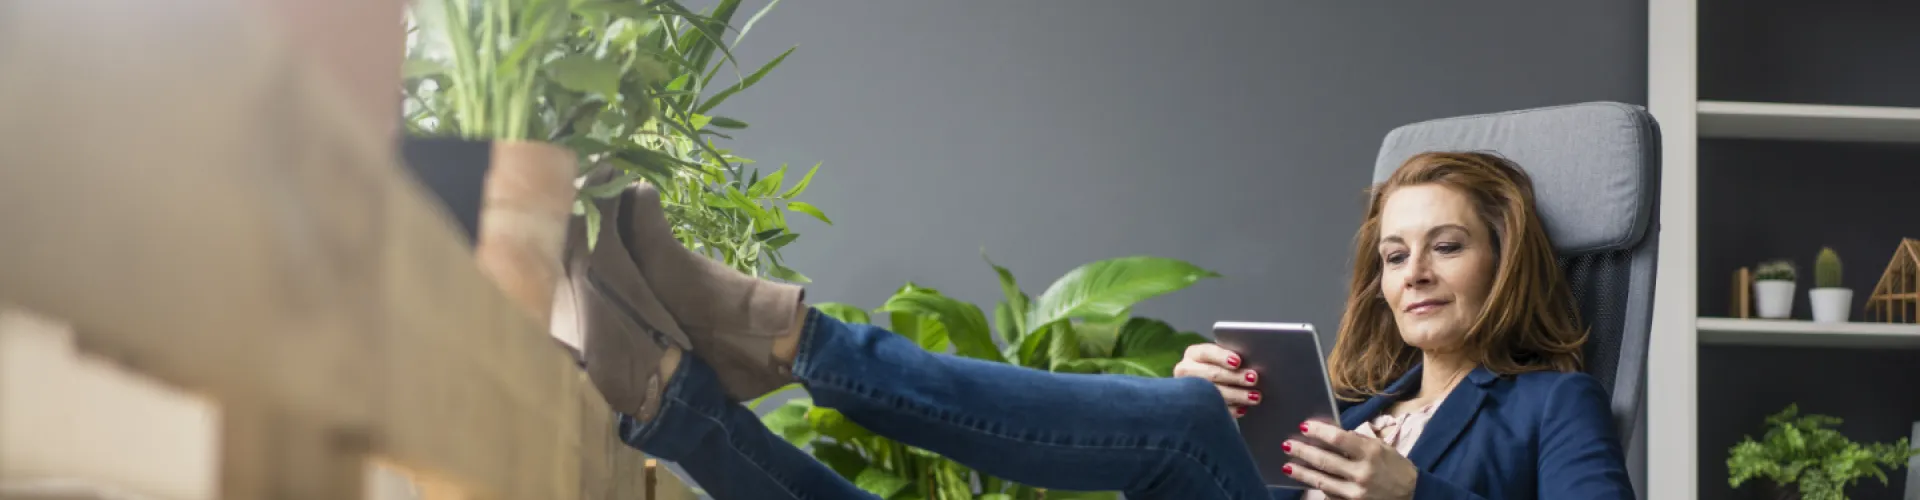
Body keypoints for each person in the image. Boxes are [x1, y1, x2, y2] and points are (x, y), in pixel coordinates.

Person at [551, 151, 1634, 499]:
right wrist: (1241, 416)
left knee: (1173, 421)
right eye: (1395, 253)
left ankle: (787, 339)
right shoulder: (1367, 407)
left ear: (1507, 255)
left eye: (1448, 244)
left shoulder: (1550, 399)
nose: (1415, 273)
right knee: (1188, 408)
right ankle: (673, 399)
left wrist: (1415, 493)